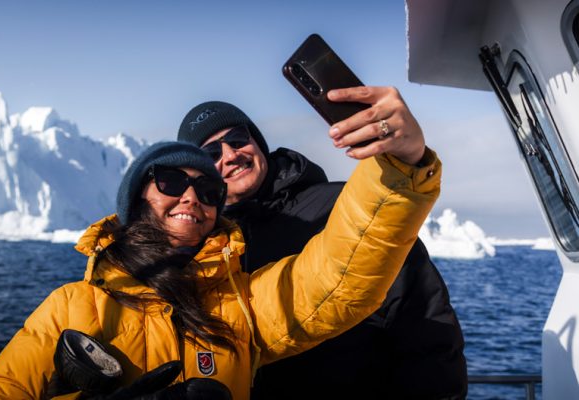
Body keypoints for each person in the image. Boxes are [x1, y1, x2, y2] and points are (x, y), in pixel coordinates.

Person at [0, 125, 441, 400]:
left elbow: (338, 275)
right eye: (171, 181)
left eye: (208, 191)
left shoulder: (242, 305)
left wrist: (401, 165)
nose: (191, 197)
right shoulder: (71, 307)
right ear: (137, 199)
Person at [177, 86, 468, 399]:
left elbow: (424, 316)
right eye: (212, 154)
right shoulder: (202, 248)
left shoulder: (339, 205)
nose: (231, 155)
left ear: (257, 142)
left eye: (237, 139)